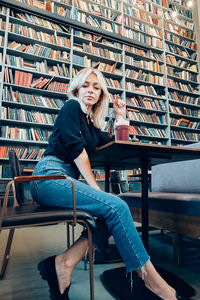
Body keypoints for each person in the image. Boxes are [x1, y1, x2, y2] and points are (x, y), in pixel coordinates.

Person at [30, 67, 181, 300]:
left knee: (113, 211)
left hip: (62, 180)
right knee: (115, 206)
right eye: (86, 85)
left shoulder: (90, 124)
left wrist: (120, 115)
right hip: (49, 177)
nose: (90, 90)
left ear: (101, 94)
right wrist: (94, 186)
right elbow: (77, 151)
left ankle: (64, 262)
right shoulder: (71, 107)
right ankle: (155, 285)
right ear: (77, 89)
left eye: (96, 87)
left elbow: (113, 141)